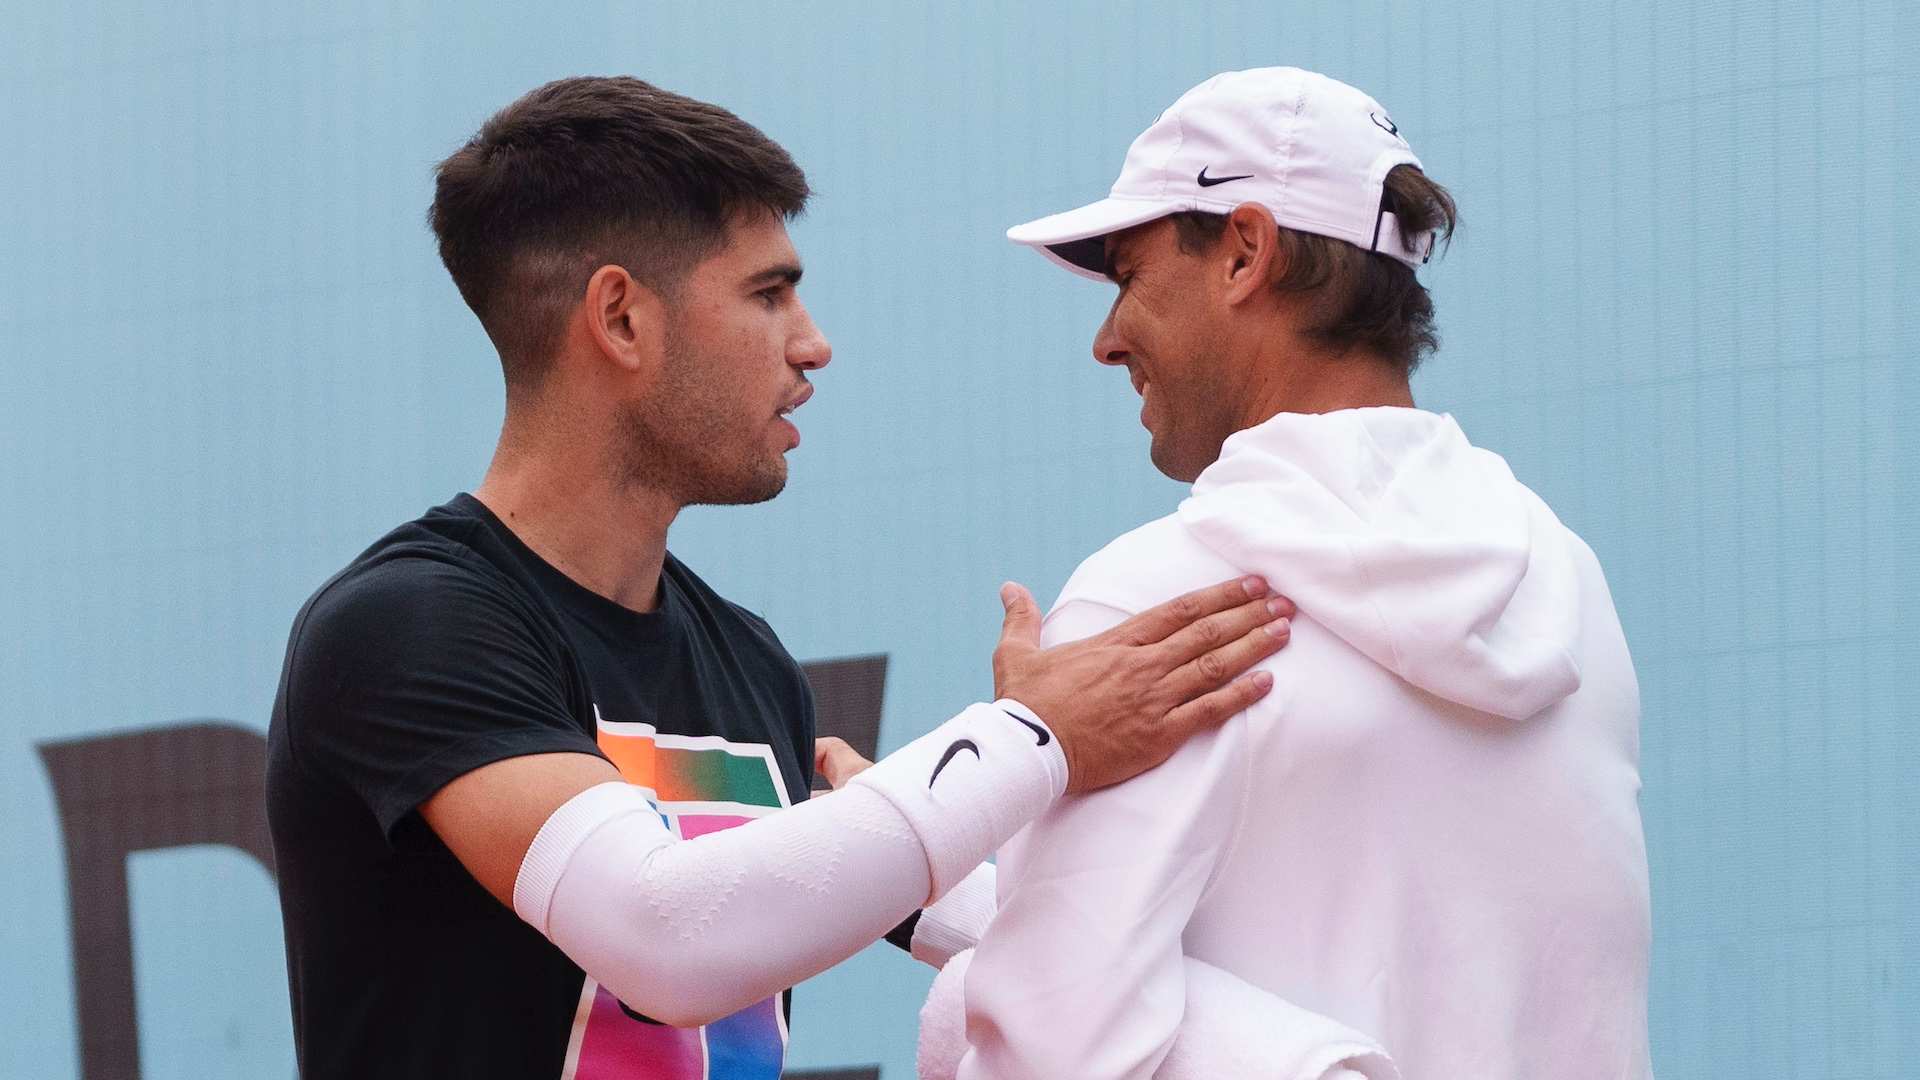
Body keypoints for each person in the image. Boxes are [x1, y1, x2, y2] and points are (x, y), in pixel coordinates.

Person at [263, 76, 1297, 1080]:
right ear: (620, 319)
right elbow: (662, 932)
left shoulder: (749, 660)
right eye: (769, 294)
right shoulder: (407, 626)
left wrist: (951, 873)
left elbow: (770, 892)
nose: (815, 344)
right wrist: (1036, 741)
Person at [937, 67, 1654, 1079]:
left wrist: (1020, 768)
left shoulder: (1153, 601)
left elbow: (1054, 1052)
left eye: (1128, 276)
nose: (1106, 341)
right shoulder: (1568, 580)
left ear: (1244, 253)